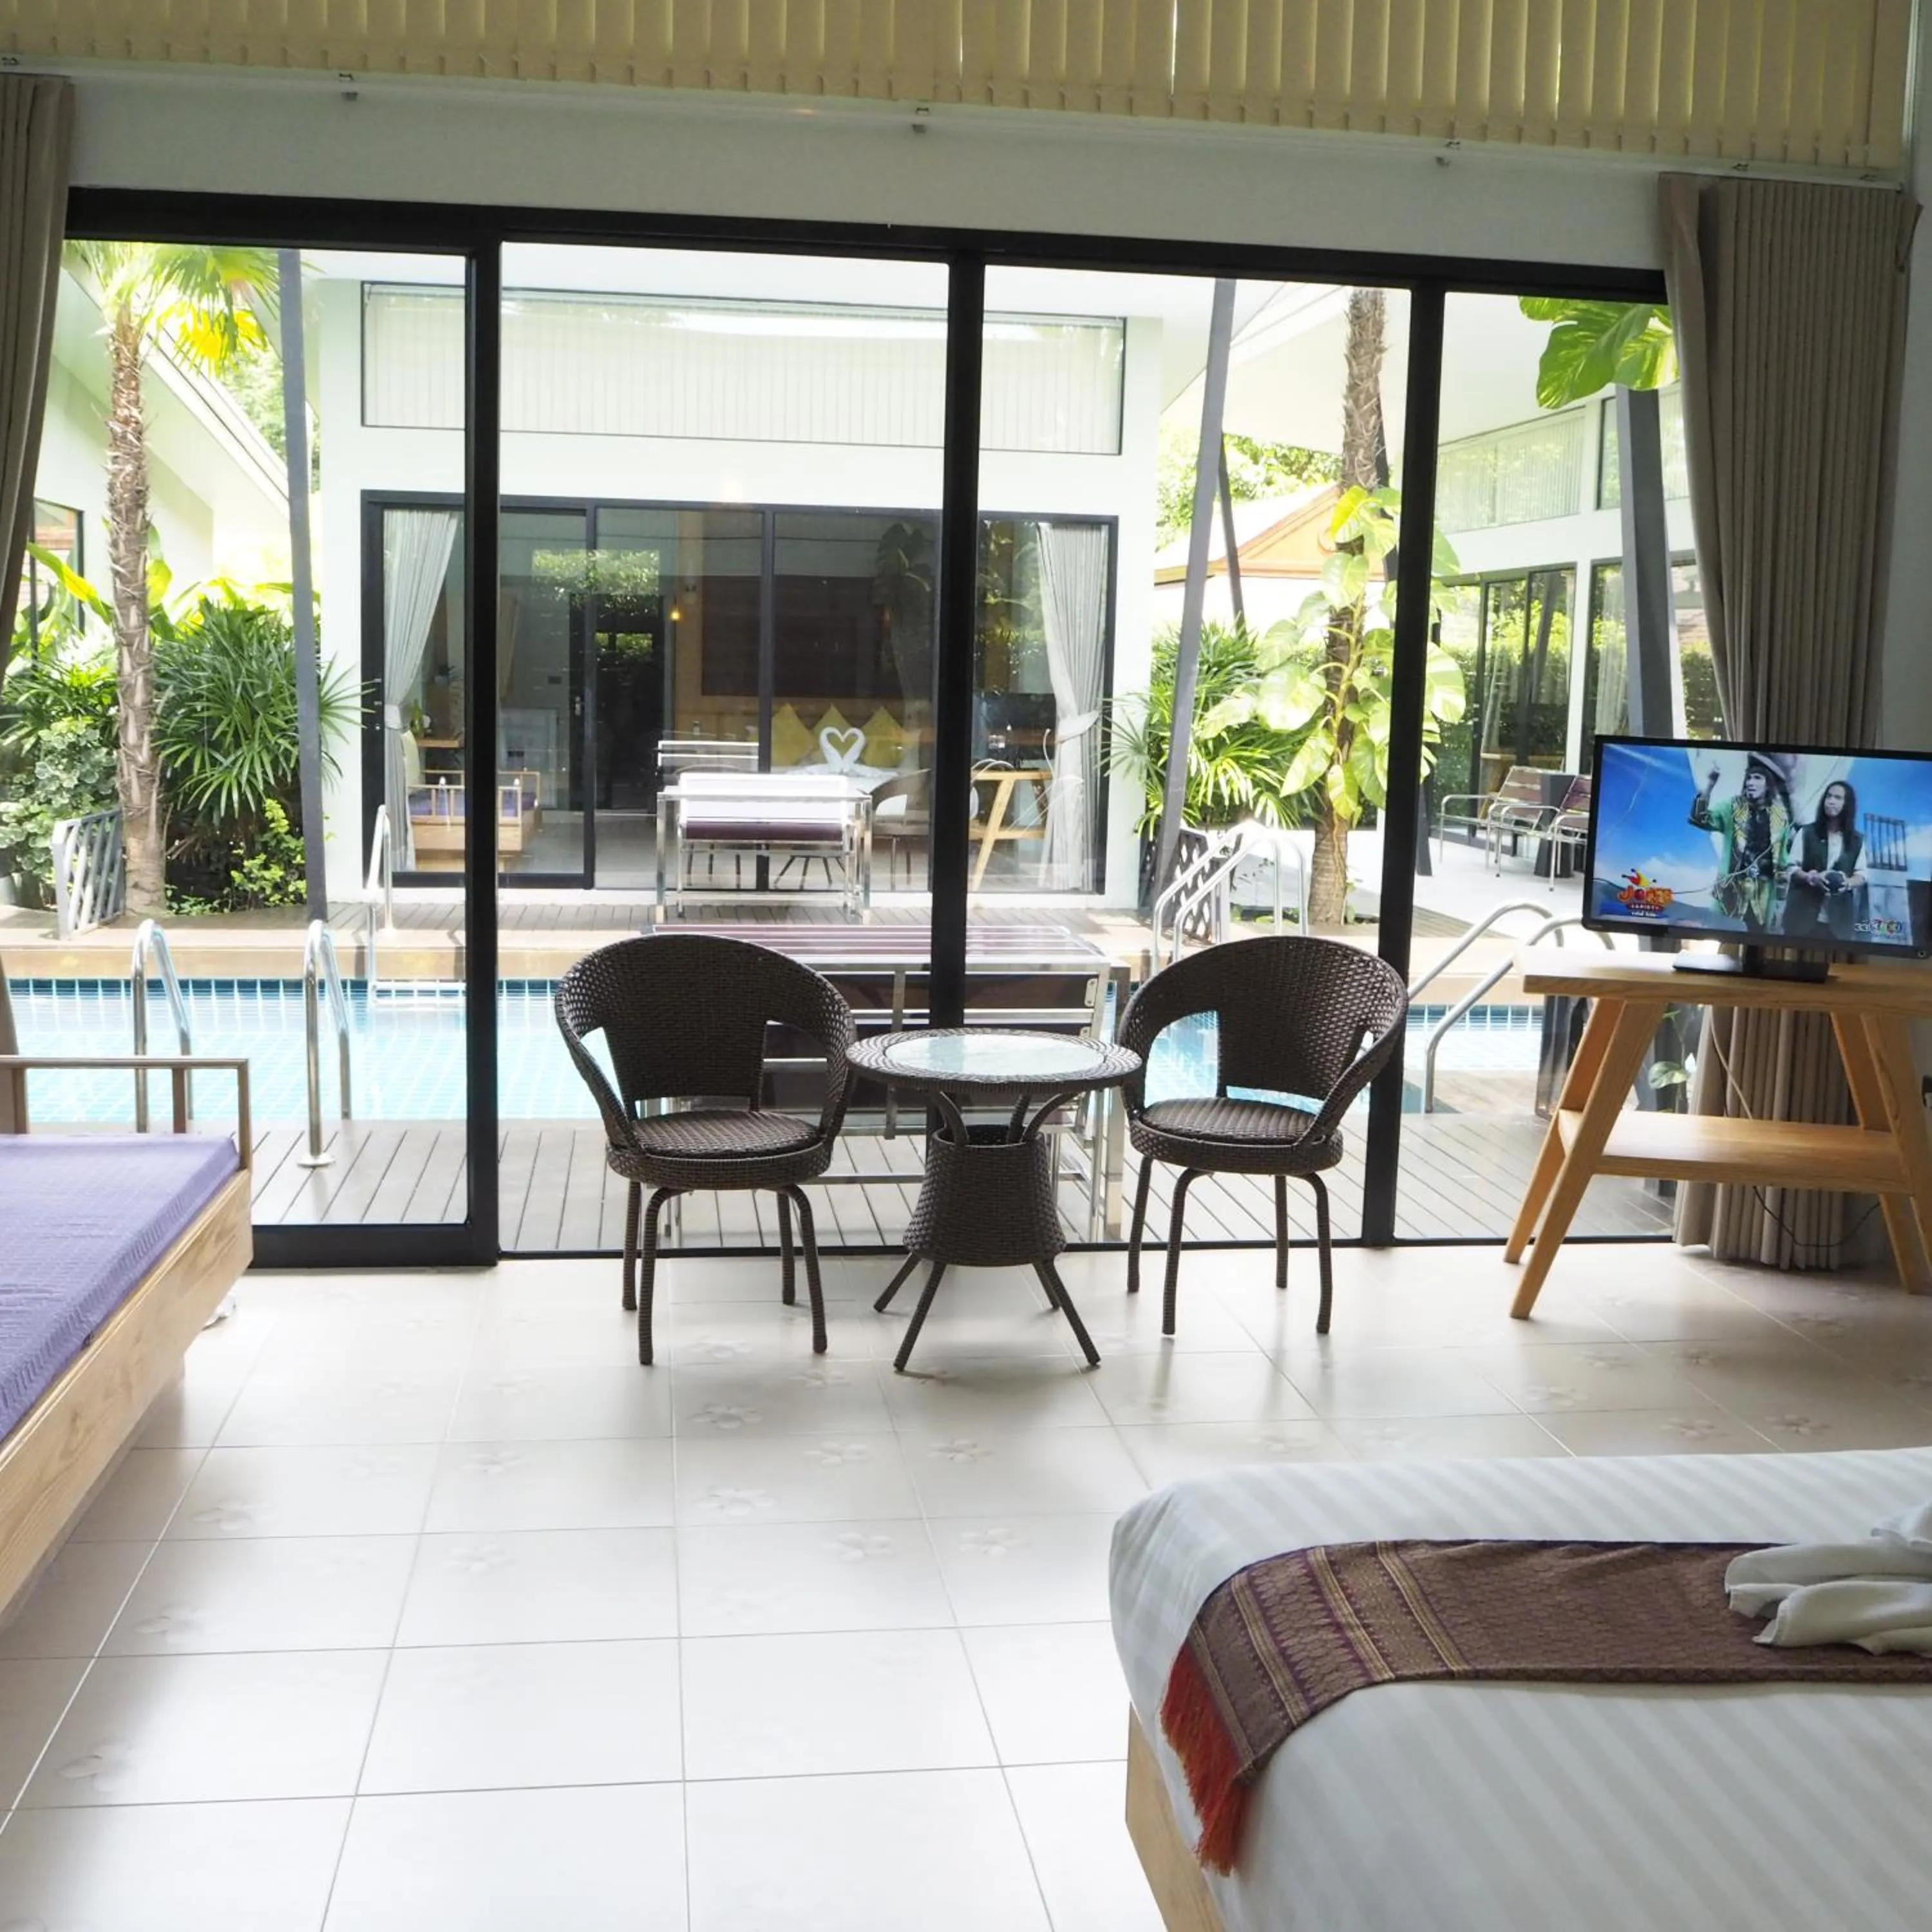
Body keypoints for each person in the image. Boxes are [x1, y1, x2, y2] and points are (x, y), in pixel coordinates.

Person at [1690, 751, 1795, 931]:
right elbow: (1700, 819)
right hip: (1730, 892)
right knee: (1721, 939)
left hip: (1763, 895)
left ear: (1768, 784)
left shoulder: (1780, 816)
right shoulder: (1733, 807)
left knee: (1757, 944)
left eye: (1758, 778)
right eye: (1749, 778)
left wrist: (1780, 904)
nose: (1751, 783)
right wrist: (1710, 785)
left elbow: (1782, 862)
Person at [1782, 777, 1867, 942]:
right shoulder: (1807, 833)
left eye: (1837, 798)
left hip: (1838, 925)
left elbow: (1862, 874)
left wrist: (1847, 883)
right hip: (1801, 920)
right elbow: (1791, 868)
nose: (1831, 801)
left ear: (1847, 804)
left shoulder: (1857, 840)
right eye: (1829, 796)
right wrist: (1811, 877)